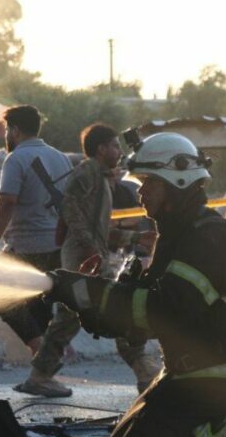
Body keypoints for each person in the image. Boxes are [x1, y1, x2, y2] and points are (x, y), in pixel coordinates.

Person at [45, 132, 226, 437]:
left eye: (148, 183)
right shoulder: (176, 236)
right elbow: (133, 321)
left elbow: (164, 311)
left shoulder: (208, 238)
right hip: (187, 373)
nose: (140, 192)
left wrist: (91, 293)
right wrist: (81, 298)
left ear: (178, 181)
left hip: (220, 376)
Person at [14, 124, 161, 397]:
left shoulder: (100, 178)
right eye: (115, 146)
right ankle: (41, 375)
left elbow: (99, 230)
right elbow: (70, 208)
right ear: (101, 148)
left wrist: (135, 239)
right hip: (83, 261)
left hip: (90, 259)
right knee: (84, 315)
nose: (119, 151)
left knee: (107, 312)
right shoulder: (88, 171)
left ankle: (143, 372)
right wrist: (91, 248)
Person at [0, 105, 72, 380]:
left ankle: (41, 355)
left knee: (4, 300)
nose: (6, 136)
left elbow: (7, 201)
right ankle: (44, 375)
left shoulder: (16, 159)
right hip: (57, 246)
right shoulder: (61, 158)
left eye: (6, 130)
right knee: (39, 307)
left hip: (26, 247)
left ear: (14, 130)